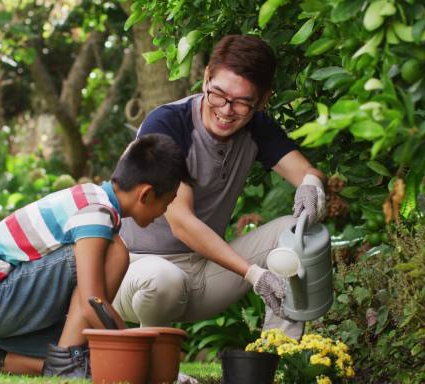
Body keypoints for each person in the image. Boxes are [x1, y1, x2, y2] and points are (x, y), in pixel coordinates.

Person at [113, 35, 327, 339]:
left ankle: (281, 355)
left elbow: (307, 171)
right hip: (136, 272)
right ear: (205, 79)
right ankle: (155, 365)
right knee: (164, 279)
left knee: (297, 233)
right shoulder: (169, 123)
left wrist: (311, 184)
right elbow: (182, 223)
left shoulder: (257, 127)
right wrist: (254, 274)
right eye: (219, 95)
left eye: (242, 102)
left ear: (263, 100)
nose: (227, 111)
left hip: (203, 272)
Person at [0, 133, 193, 378]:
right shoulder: (96, 211)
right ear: (145, 194)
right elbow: (92, 301)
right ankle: (68, 359)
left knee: (85, 351)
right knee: (116, 252)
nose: (165, 213)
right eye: (167, 203)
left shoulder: (96, 201)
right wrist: (134, 348)